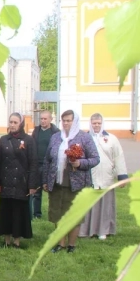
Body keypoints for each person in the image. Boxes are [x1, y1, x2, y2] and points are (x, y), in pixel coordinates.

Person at [41, 109, 100, 254]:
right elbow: (47, 160)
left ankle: (71, 244)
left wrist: (80, 163)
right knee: (57, 213)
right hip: (56, 183)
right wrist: (45, 180)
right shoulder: (55, 137)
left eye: (69, 120)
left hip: (76, 184)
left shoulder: (84, 137)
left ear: (75, 122)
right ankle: (60, 243)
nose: (66, 123)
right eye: (64, 121)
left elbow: (95, 158)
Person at [79, 113, 128, 241]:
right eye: (94, 123)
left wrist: (122, 176)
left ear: (102, 123)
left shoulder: (111, 138)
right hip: (90, 176)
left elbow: (118, 157)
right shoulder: (84, 138)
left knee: (105, 205)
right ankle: (86, 230)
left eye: (99, 123)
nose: (96, 125)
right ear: (90, 123)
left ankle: (103, 230)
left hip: (106, 177)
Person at [0, 113, 38, 249]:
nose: (12, 125)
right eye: (10, 122)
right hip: (6, 182)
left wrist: (32, 184)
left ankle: (17, 241)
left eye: (15, 122)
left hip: (21, 182)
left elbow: (33, 163)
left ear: (21, 124)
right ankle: (6, 240)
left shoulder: (29, 140)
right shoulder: (3, 139)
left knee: (19, 212)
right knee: (6, 211)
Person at [30, 110, 60, 219]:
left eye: (45, 119)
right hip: (37, 164)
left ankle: (54, 213)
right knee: (37, 191)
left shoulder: (56, 132)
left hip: (51, 165)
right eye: (41, 119)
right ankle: (37, 214)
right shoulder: (36, 131)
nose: (43, 121)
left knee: (52, 190)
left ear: (50, 119)